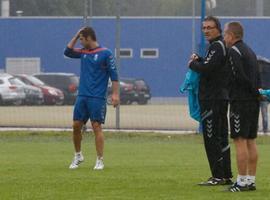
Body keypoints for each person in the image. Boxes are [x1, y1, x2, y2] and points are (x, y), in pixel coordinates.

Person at [64, 27, 119, 170]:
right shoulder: (83, 53)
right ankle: (78, 155)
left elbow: (114, 75)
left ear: (88, 38)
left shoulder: (106, 53)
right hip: (82, 96)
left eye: (81, 39)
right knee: (76, 126)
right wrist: (76, 35)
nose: (80, 42)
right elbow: (67, 51)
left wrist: (115, 94)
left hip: (97, 97)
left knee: (96, 126)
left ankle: (100, 160)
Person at [188, 16, 233, 185]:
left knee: (211, 137)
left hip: (212, 99)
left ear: (218, 29)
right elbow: (211, 65)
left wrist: (193, 64)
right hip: (220, 98)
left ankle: (217, 176)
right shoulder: (218, 46)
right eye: (204, 28)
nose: (206, 30)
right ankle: (226, 174)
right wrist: (200, 59)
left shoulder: (216, 46)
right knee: (221, 137)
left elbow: (207, 69)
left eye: (209, 27)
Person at [224, 21, 260, 192]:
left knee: (239, 140)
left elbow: (238, 75)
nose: (224, 38)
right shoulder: (250, 51)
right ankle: (251, 180)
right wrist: (257, 93)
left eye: (225, 34)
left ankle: (241, 182)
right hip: (254, 102)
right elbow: (256, 77)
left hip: (240, 102)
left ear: (231, 35)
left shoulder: (233, 51)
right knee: (251, 141)